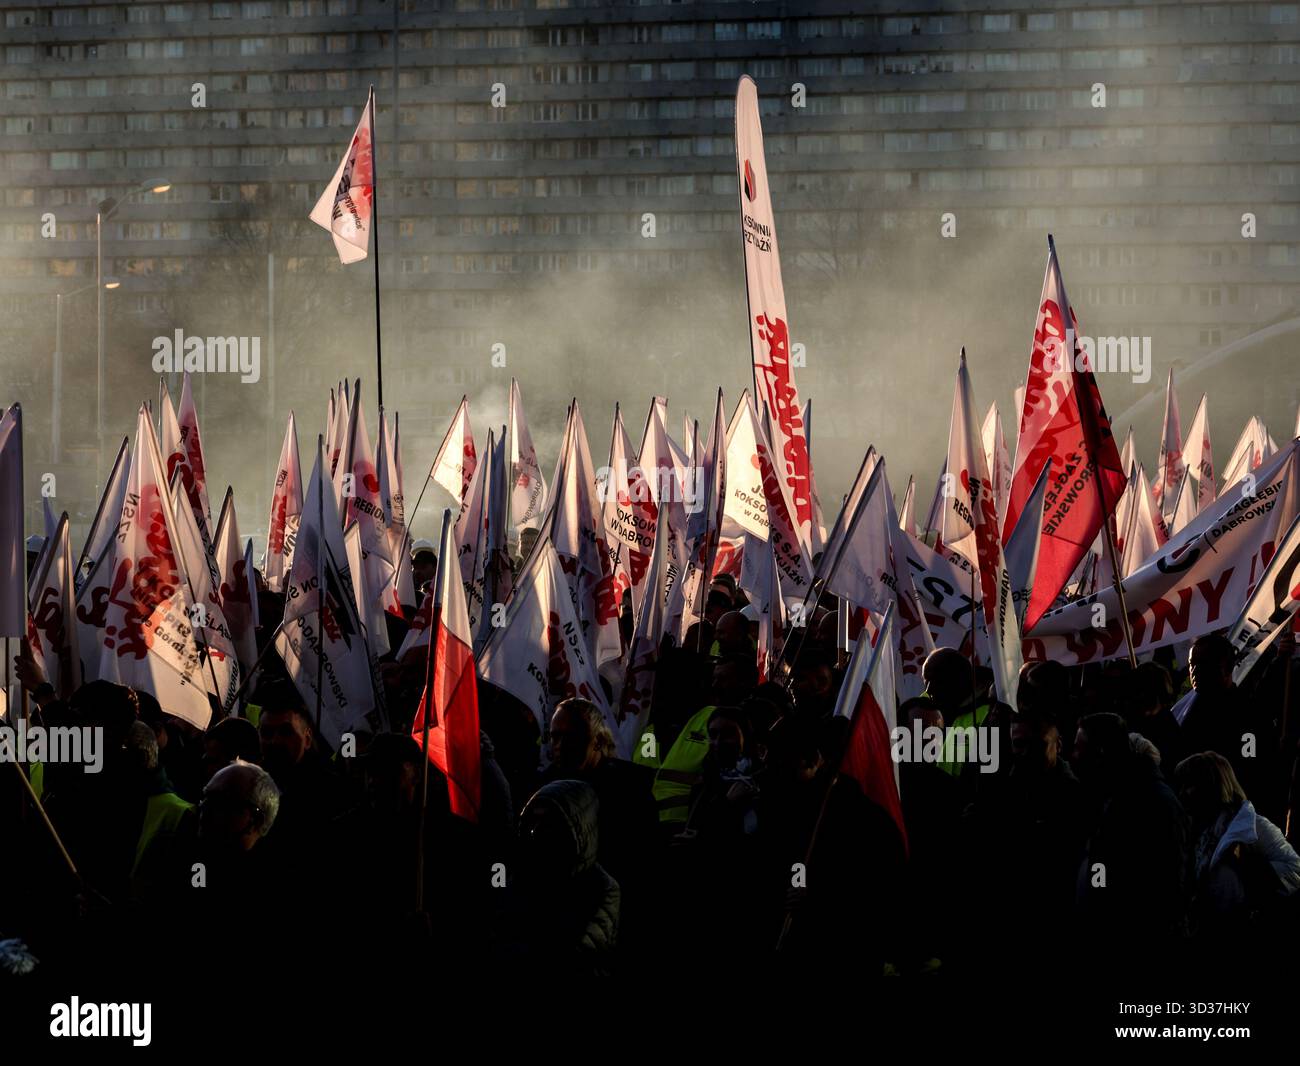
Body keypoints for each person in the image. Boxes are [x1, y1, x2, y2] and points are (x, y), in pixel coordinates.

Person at [1072, 712, 1190, 969]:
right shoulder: (1111, 793)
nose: (1074, 757)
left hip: (1135, 947)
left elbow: (1165, 885)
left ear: (1100, 752)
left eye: (1079, 749)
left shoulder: (1152, 802)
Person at [1174, 751, 1300, 952]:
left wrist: (1246, 864)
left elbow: (1295, 871)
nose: (1181, 793)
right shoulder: (1200, 829)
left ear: (1211, 785)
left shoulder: (1255, 826)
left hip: (1240, 939)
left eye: (1188, 785)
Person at [500, 780, 620, 977]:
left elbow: (582, 956)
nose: (536, 831)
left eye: (549, 823)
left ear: (577, 829)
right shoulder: (525, 875)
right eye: (533, 821)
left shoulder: (600, 888)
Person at [1178, 632, 1283, 821]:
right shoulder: (1187, 712)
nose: (1195, 671)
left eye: (1203, 664)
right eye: (1192, 664)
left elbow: (1252, 765)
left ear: (1226, 667)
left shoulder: (1248, 713)